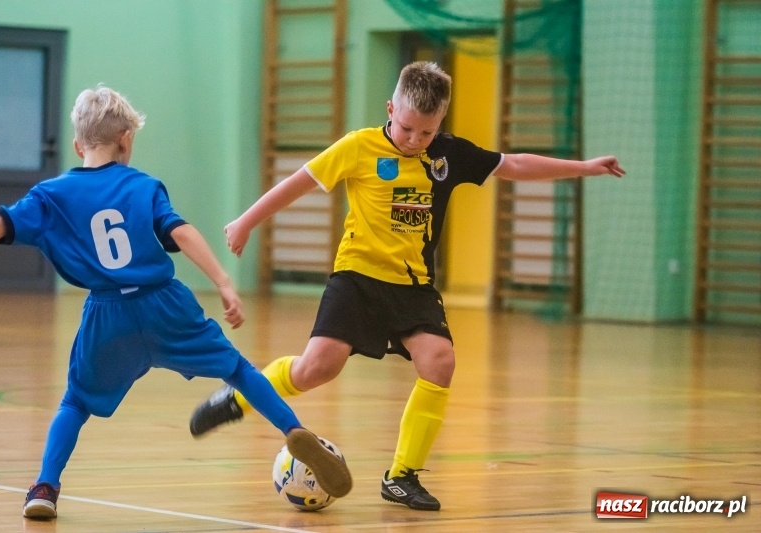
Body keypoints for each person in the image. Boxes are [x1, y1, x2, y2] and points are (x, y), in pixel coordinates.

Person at [189, 61, 625, 511]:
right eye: (408, 128)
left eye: (428, 132)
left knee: (440, 361)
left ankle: (401, 476)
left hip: (413, 286)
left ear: (440, 125)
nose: (416, 140)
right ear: (390, 109)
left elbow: (512, 163)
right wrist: (245, 222)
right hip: (356, 279)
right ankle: (240, 395)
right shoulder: (358, 147)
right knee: (316, 369)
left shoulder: (448, 155)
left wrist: (586, 167)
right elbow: (299, 184)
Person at [0, 86, 352, 520]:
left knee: (75, 402)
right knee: (237, 369)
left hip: (107, 315)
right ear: (126, 139)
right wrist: (223, 282)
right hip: (165, 305)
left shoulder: (52, 194)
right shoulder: (142, 186)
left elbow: (1, 224)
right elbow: (180, 233)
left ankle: (45, 487)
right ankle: (293, 429)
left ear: (77, 144)